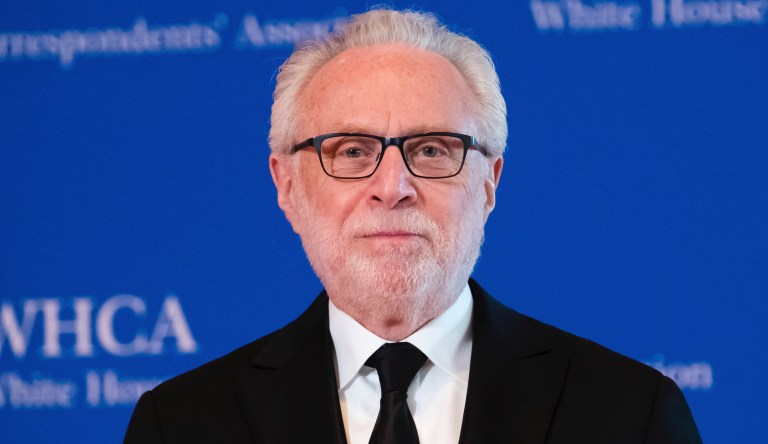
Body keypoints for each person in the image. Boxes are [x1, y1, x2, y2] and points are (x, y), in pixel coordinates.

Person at [124, 8, 701, 444]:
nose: (392, 185)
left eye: (430, 149)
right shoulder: (180, 424)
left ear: (489, 183)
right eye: (350, 151)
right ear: (288, 186)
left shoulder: (630, 413)